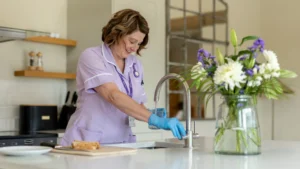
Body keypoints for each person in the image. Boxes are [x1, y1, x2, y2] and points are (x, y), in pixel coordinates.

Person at [60, 9, 186, 146]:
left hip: (122, 142)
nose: (135, 48)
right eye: (132, 41)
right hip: (87, 142)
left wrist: (150, 113)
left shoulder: (135, 65)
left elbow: (135, 104)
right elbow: (113, 95)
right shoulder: (92, 56)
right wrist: (154, 119)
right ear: (117, 33)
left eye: (139, 43)